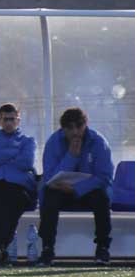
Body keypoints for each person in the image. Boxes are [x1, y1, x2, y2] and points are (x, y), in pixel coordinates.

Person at [37, 107, 114, 266]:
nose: (75, 132)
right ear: (63, 129)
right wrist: (71, 156)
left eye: (79, 126)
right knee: (49, 197)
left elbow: (104, 176)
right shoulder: (53, 142)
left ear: (85, 125)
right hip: (60, 191)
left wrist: (78, 188)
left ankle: (102, 247)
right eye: (70, 128)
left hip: (88, 192)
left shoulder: (98, 142)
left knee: (101, 198)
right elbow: (50, 176)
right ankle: (47, 248)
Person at [0, 103, 36, 266]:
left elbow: (26, 162)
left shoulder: (28, 141)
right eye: (5, 119)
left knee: (13, 203)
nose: (9, 123)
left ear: (18, 120)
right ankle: (2, 247)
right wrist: (12, 152)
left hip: (19, 187)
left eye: (12, 119)